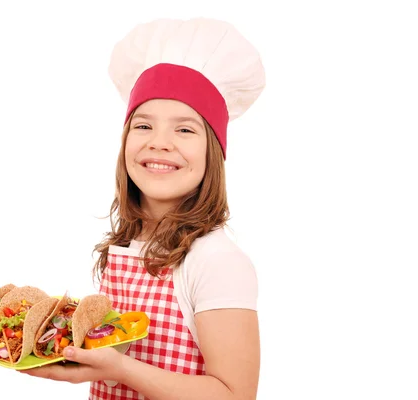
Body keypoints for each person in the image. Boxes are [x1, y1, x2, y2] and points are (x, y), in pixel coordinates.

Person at [21, 17, 266, 400]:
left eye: (184, 130)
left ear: (213, 153)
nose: (160, 143)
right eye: (143, 126)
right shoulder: (128, 244)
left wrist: (120, 369)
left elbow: (235, 395)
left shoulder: (216, 260)